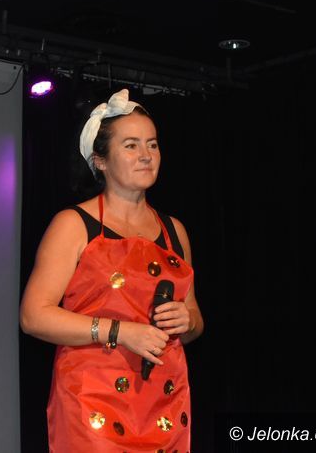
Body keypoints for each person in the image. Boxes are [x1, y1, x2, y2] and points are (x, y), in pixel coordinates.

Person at [20, 89, 204, 452]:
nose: (146, 155)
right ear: (100, 161)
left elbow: (195, 320)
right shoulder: (73, 224)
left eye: (152, 144)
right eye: (131, 146)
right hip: (93, 400)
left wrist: (187, 321)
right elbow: (33, 316)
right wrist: (120, 331)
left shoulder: (174, 231)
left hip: (164, 398)